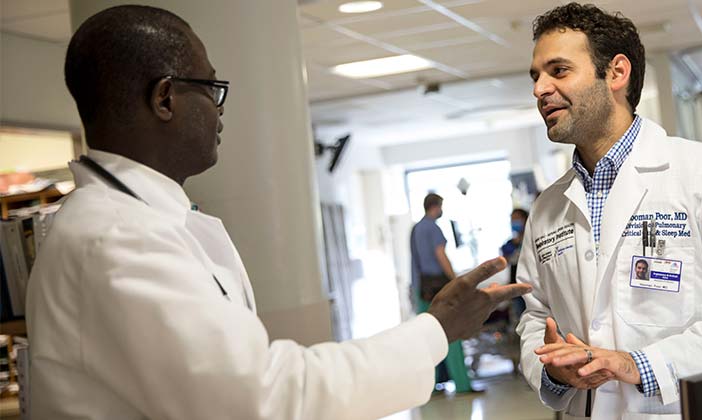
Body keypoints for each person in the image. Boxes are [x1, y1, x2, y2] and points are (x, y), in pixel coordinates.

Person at [25, 6, 533, 419]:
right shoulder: (115, 237)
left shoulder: (136, 219)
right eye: (211, 90)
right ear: (165, 98)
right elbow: (263, 397)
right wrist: (436, 330)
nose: (220, 111)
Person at [516, 3, 702, 418]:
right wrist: (555, 374)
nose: (539, 89)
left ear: (616, 72)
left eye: (558, 71)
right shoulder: (547, 208)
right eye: (536, 76)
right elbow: (535, 317)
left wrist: (640, 365)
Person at [410, 193, 477, 393]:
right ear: (436, 207)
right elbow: (440, 254)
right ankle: (462, 385)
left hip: (422, 290)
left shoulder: (415, 229)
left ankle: (434, 385)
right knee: (451, 334)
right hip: (438, 287)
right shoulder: (433, 227)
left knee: (429, 336)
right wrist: (456, 280)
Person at [501, 208, 530, 319]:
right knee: (521, 317)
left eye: (517, 219)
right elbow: (505, 259)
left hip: (532, 285)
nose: (514, 222)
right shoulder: (509, 244)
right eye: (512, 219)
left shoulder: (531, 240)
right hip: (516, 286)